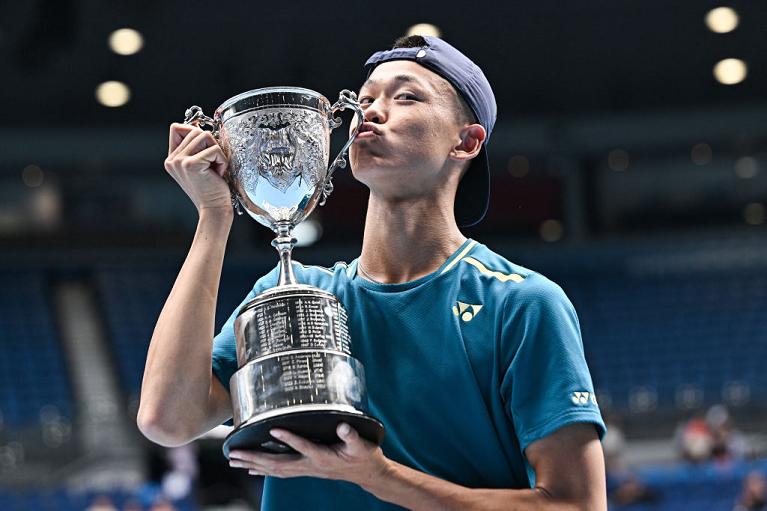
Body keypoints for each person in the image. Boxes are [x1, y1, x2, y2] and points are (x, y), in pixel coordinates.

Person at [138, 35, 607, 510]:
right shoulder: (295, 295)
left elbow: (578, 505)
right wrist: (214, 217)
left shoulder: (521, 303)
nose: (371, 112)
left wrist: (376, 475)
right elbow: (168, 419)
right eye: (364, 100)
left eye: (405, 97)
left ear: (465, 141)